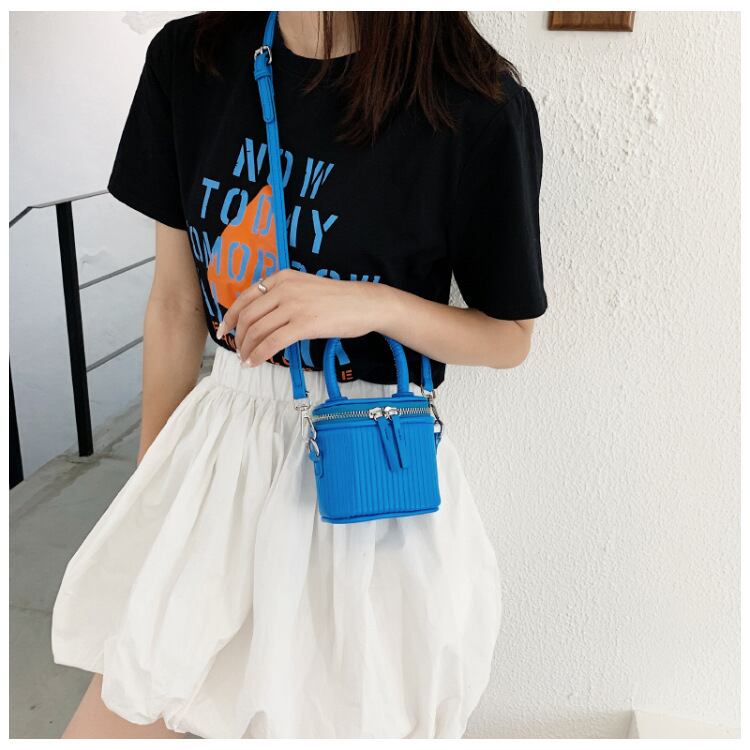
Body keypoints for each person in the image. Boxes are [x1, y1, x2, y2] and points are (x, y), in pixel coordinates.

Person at [50, 10, 547, 739]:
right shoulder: (194, 58)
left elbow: (509, 338)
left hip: (367, 470)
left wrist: (370, 304)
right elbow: (176, 303)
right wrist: (154, 485)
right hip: (219, 446)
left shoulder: (473, 103)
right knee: (131, 705)